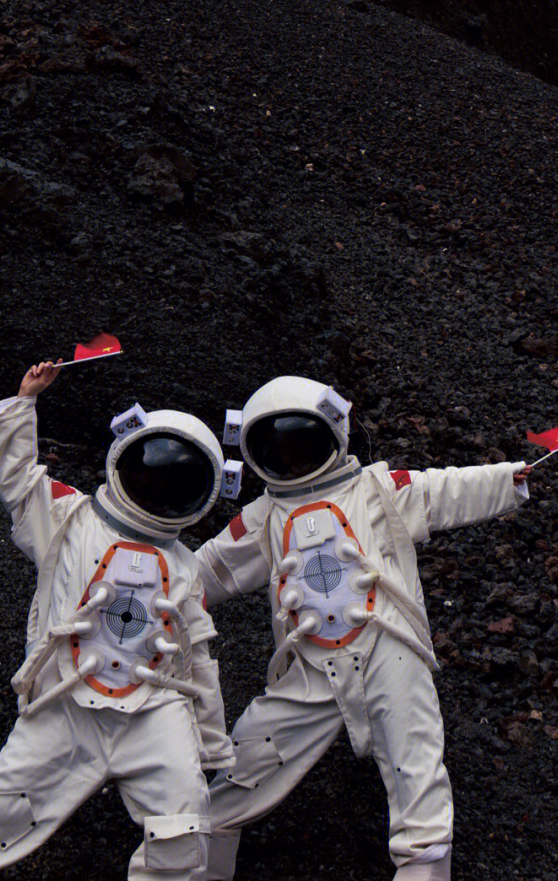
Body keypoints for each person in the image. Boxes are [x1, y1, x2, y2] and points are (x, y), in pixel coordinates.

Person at [0, 360, 234, 881]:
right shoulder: (70, 519)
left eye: (173, 482)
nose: (155, 487)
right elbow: (19, 481)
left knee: (183, 825)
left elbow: (196, 656)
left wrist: (210, 743)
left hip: (154, 710)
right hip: (65, 700)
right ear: (125, 464)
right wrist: (24, 403)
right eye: (148, 472)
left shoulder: (185, 568)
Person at [196, 375, 530, 881]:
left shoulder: (380, 489)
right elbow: (209, 571)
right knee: (246, 765)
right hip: (307, 666)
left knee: (414, 767)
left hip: (388, 648)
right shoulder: (264, 517)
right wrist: (158, 594)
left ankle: (423, 862)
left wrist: (510, 478)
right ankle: (197, 861)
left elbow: (448, 490)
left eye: (303, 446)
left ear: (333, 434)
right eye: (279, 450)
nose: (294, 460)